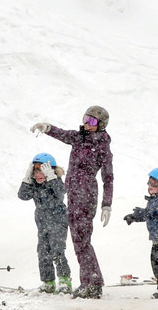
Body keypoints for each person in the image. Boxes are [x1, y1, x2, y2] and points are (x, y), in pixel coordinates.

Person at [31, 106, 113, 299]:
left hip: (86, 196)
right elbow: (62, 134)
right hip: (74, 195)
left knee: (82, 241)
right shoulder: (79, 137)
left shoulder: (102, 146)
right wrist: (47, 128)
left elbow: (108, 178)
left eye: (92, 121)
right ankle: (92, 281)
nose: (87, 123)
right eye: (86, 118)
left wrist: (106, 204)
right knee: (79, 242)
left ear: (100, 125)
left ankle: (91, 283)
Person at [18, 153, 72, 294]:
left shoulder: (57, 182)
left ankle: (65, 281)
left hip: (58, 221)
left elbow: (60, 194)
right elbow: (23, 196)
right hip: (42, 224)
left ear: (51, 171)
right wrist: (27, 179)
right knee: (43, 253)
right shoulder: (35, 185)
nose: (39, 174)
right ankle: (48, 282)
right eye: (36, 171)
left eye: (42, 170)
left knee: (57, 251)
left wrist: (52, 178)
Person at [124, 168, 158, 299]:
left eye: (154, 184)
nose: (149, 186)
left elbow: (154, 214)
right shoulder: (155, 199)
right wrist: (133, 217)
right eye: (149, 182)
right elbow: (148, 215)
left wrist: (142, 213)